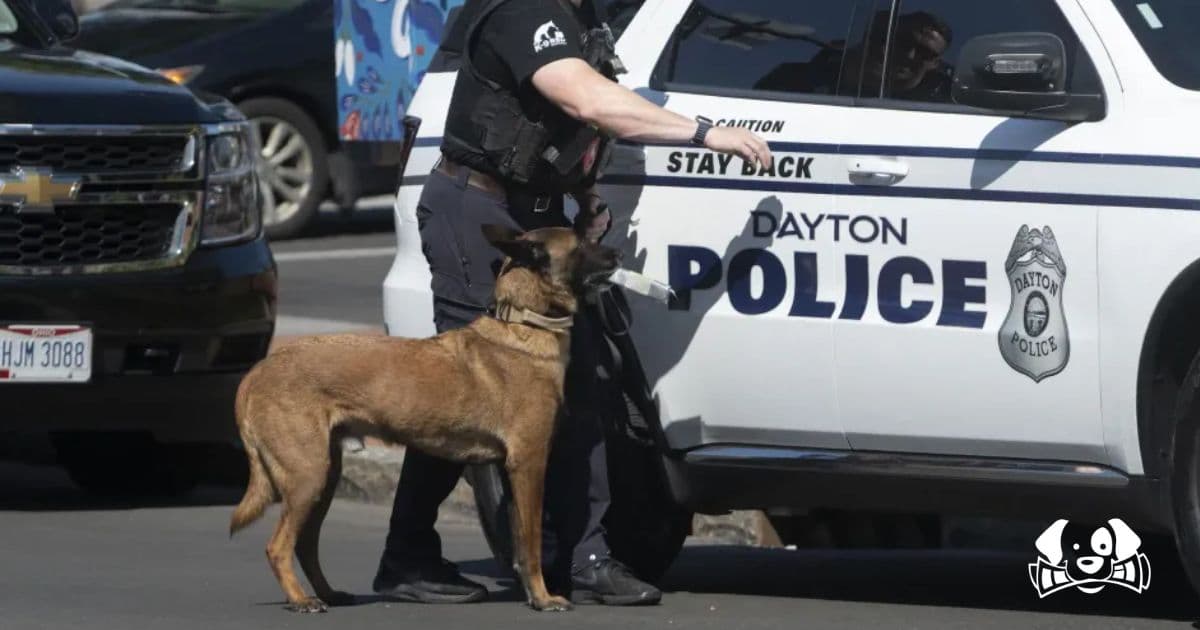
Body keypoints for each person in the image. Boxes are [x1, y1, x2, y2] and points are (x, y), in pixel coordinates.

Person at [372, 0, 773, 607]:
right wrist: (705, 133)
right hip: (478, 215)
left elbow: (567, 130)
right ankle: (407, 556)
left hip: (539, 220)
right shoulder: (523, 11)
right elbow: (586, 100)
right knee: (458, 396)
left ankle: (583, 558)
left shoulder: (582, 17)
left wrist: (582, 195)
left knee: (580, 389)